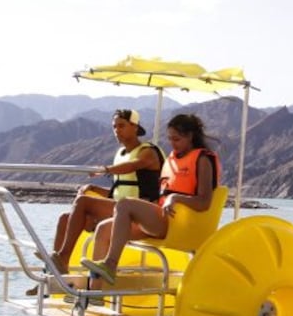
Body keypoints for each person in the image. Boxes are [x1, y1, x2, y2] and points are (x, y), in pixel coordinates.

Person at [78, 113, 220, 288]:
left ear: (190, 136)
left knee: (125, 204)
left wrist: (175, 198)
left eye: (176, 139)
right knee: (103, 229)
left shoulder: (203, 160)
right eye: (169, 139)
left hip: (179, 224)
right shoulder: (172, 159)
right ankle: (95, 294)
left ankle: (110, 264)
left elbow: (204, 202)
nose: (172, 144)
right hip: (161, 218)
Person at [31, 109, 164, 287]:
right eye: (114, 127)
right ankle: (53, 278)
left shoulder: (148, 152)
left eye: (122, 126)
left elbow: (133, 167)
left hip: (137, 213)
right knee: (65, 219)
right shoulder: (121, 154)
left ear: (135, 127)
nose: (117, 130)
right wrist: (94, 188)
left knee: (83, 202)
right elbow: (120, 191)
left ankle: (62, 258)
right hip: (119, 207)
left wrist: (105, 169)